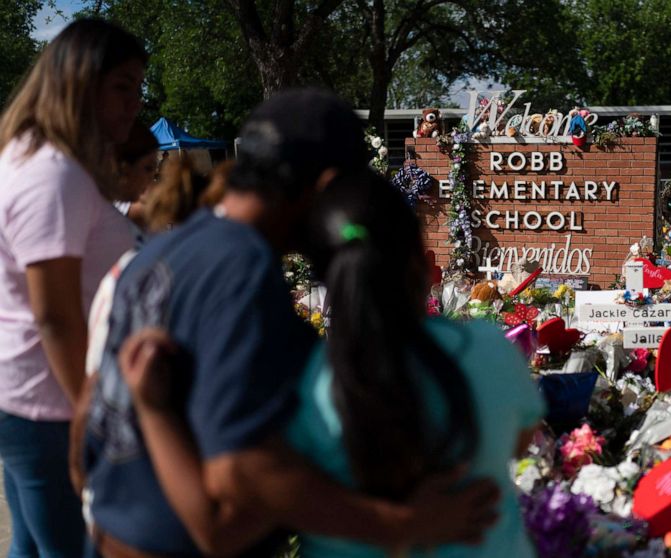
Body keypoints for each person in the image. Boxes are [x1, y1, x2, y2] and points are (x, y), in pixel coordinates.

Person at [77, 89, 501, 558]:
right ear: (326, 185)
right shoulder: (242, 269)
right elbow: (239, 475)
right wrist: (402, 524)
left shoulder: (156, 252)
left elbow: (85, 425)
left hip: (110, 533)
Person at [119, 168, 545, 557]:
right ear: (420, 251)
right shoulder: (490, 350)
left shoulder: (307, 379)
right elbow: (521, 441)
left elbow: (224, 524)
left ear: (322, 272)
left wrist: (154, 410)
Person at [0, 19, 144, 558]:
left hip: (32, 399)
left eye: (138, 88)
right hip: (51, 406)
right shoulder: (50, 173)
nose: (134, 104)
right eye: (121, 86)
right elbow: (55, 314)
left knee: (32, 549)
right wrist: (92, 412)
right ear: (79, 84)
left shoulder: (36, 158)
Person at [114, 121, 159, 231]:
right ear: (125, 169)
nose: (152, 175)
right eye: (148, 168)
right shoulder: (113, 204)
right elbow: (149, 211)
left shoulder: (137, 197)